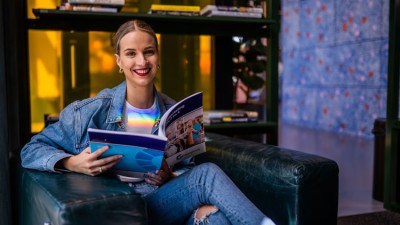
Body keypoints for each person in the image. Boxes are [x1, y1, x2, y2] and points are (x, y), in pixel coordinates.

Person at [20, 19, 275, 225]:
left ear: (157, 57)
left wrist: (170, 175)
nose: (142, 62)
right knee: (206, 176)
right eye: (131, 54)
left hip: (164, 203)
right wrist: (73, 163)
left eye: (148, 52)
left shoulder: (175, 111)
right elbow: (31, 150)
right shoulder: (90, 111)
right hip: (121, 209)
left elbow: (186, 168)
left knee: (216, 217)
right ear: (119, 61)